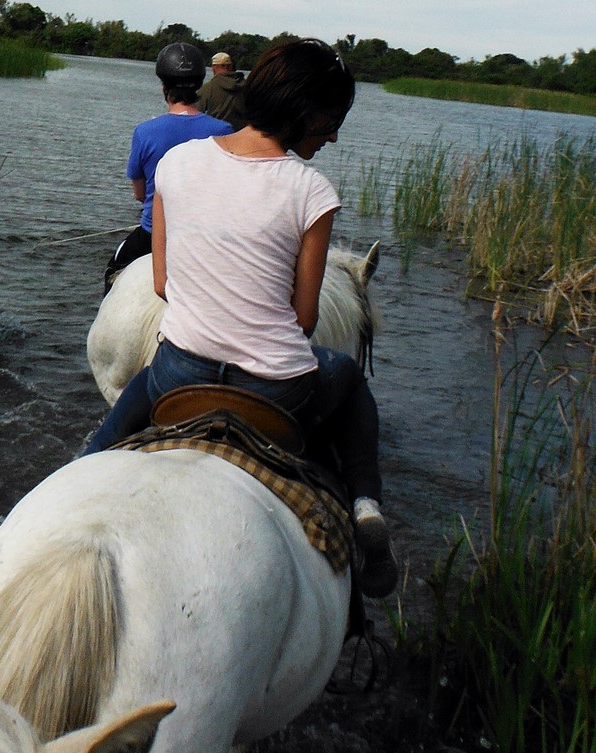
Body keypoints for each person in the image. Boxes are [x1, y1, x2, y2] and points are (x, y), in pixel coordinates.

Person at [87, 37, 398, 596]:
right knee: (348, 380)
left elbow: (161, 284)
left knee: (138, 387)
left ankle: (80, 471)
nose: (334, 134)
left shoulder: (177, 165)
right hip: (275, 392)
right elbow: (303, 319)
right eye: (333, 119)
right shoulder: (313, 191)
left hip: (181, 374)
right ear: (305, 112)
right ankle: (365, 504)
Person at [105, 41, 232, 287]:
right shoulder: (224, 131)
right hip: (203, 239)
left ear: (164, 85)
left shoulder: (145, 132)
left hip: (153, 234)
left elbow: (140, 194)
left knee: (114, 268)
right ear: (199, 85)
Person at [197, 50, 248, 129]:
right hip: (240, 136)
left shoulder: (209, 88)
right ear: (230, 66)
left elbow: (196, 114)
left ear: (214, 67)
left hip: (216, 135)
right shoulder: (247, 86)